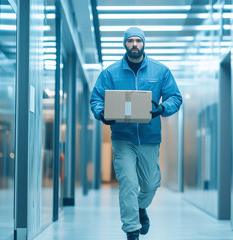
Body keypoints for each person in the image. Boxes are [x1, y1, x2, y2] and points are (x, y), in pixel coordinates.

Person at [90, 27, 182, 240]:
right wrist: (101, 113)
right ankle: (132, 230)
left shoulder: (160, 71)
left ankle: (141, 208)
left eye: (138, 41)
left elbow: (175, 98)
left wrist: (162, 108)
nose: (134, 44)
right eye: (130, 41)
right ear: (125, 44)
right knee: (129, 183)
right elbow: (96, 99)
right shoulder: (110, 73)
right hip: (122, 137)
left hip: (149, 137)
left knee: (151, 184)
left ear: (143, 44)